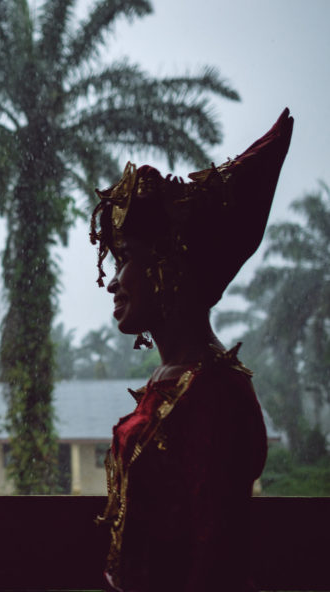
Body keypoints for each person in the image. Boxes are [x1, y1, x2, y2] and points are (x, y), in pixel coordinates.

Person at [90, 109, 294, 592]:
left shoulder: (214, 394)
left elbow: (213, 559)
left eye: (126, 259)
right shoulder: (178, 381)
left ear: (170, 267)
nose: (112, 283)